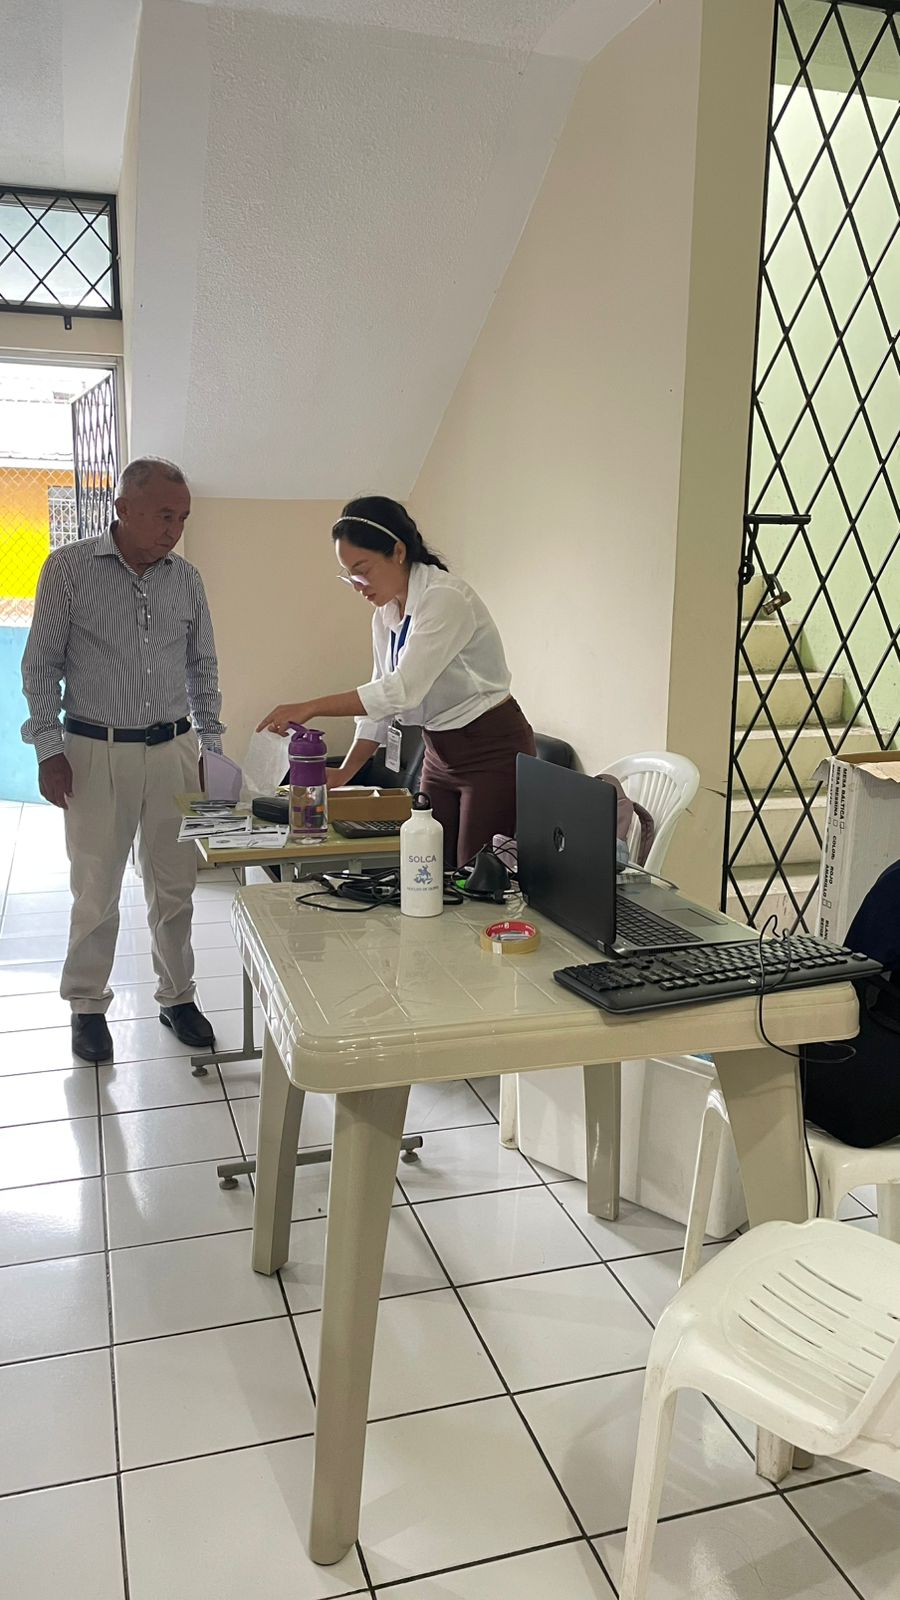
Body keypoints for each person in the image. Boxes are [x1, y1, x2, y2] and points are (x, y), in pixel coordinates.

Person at [21, 456, 223, 1064]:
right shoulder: (69, 568)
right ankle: (87, 1006)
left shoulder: (187, 579)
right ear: (123, 509)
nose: (173, 530)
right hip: (94, 749)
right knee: (95, 885)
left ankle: (177, 996)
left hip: (173, 749)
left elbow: (203, 667)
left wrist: (211, 747)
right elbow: (40, 666)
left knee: (175, 884)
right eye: (163, 516)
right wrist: (49, 748)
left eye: (182, 518)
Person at [258, 495, 535, 867]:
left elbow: (401, 691)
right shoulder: (386, 614)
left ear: (398, 552)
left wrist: (312, 707)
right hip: (439, 752)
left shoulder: (444, 599)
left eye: (362, 569)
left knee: (476, 875)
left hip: (490, 749)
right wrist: (345, 773)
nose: (357, 585)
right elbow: (380, 704)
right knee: (427, 865)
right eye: (348, 574)